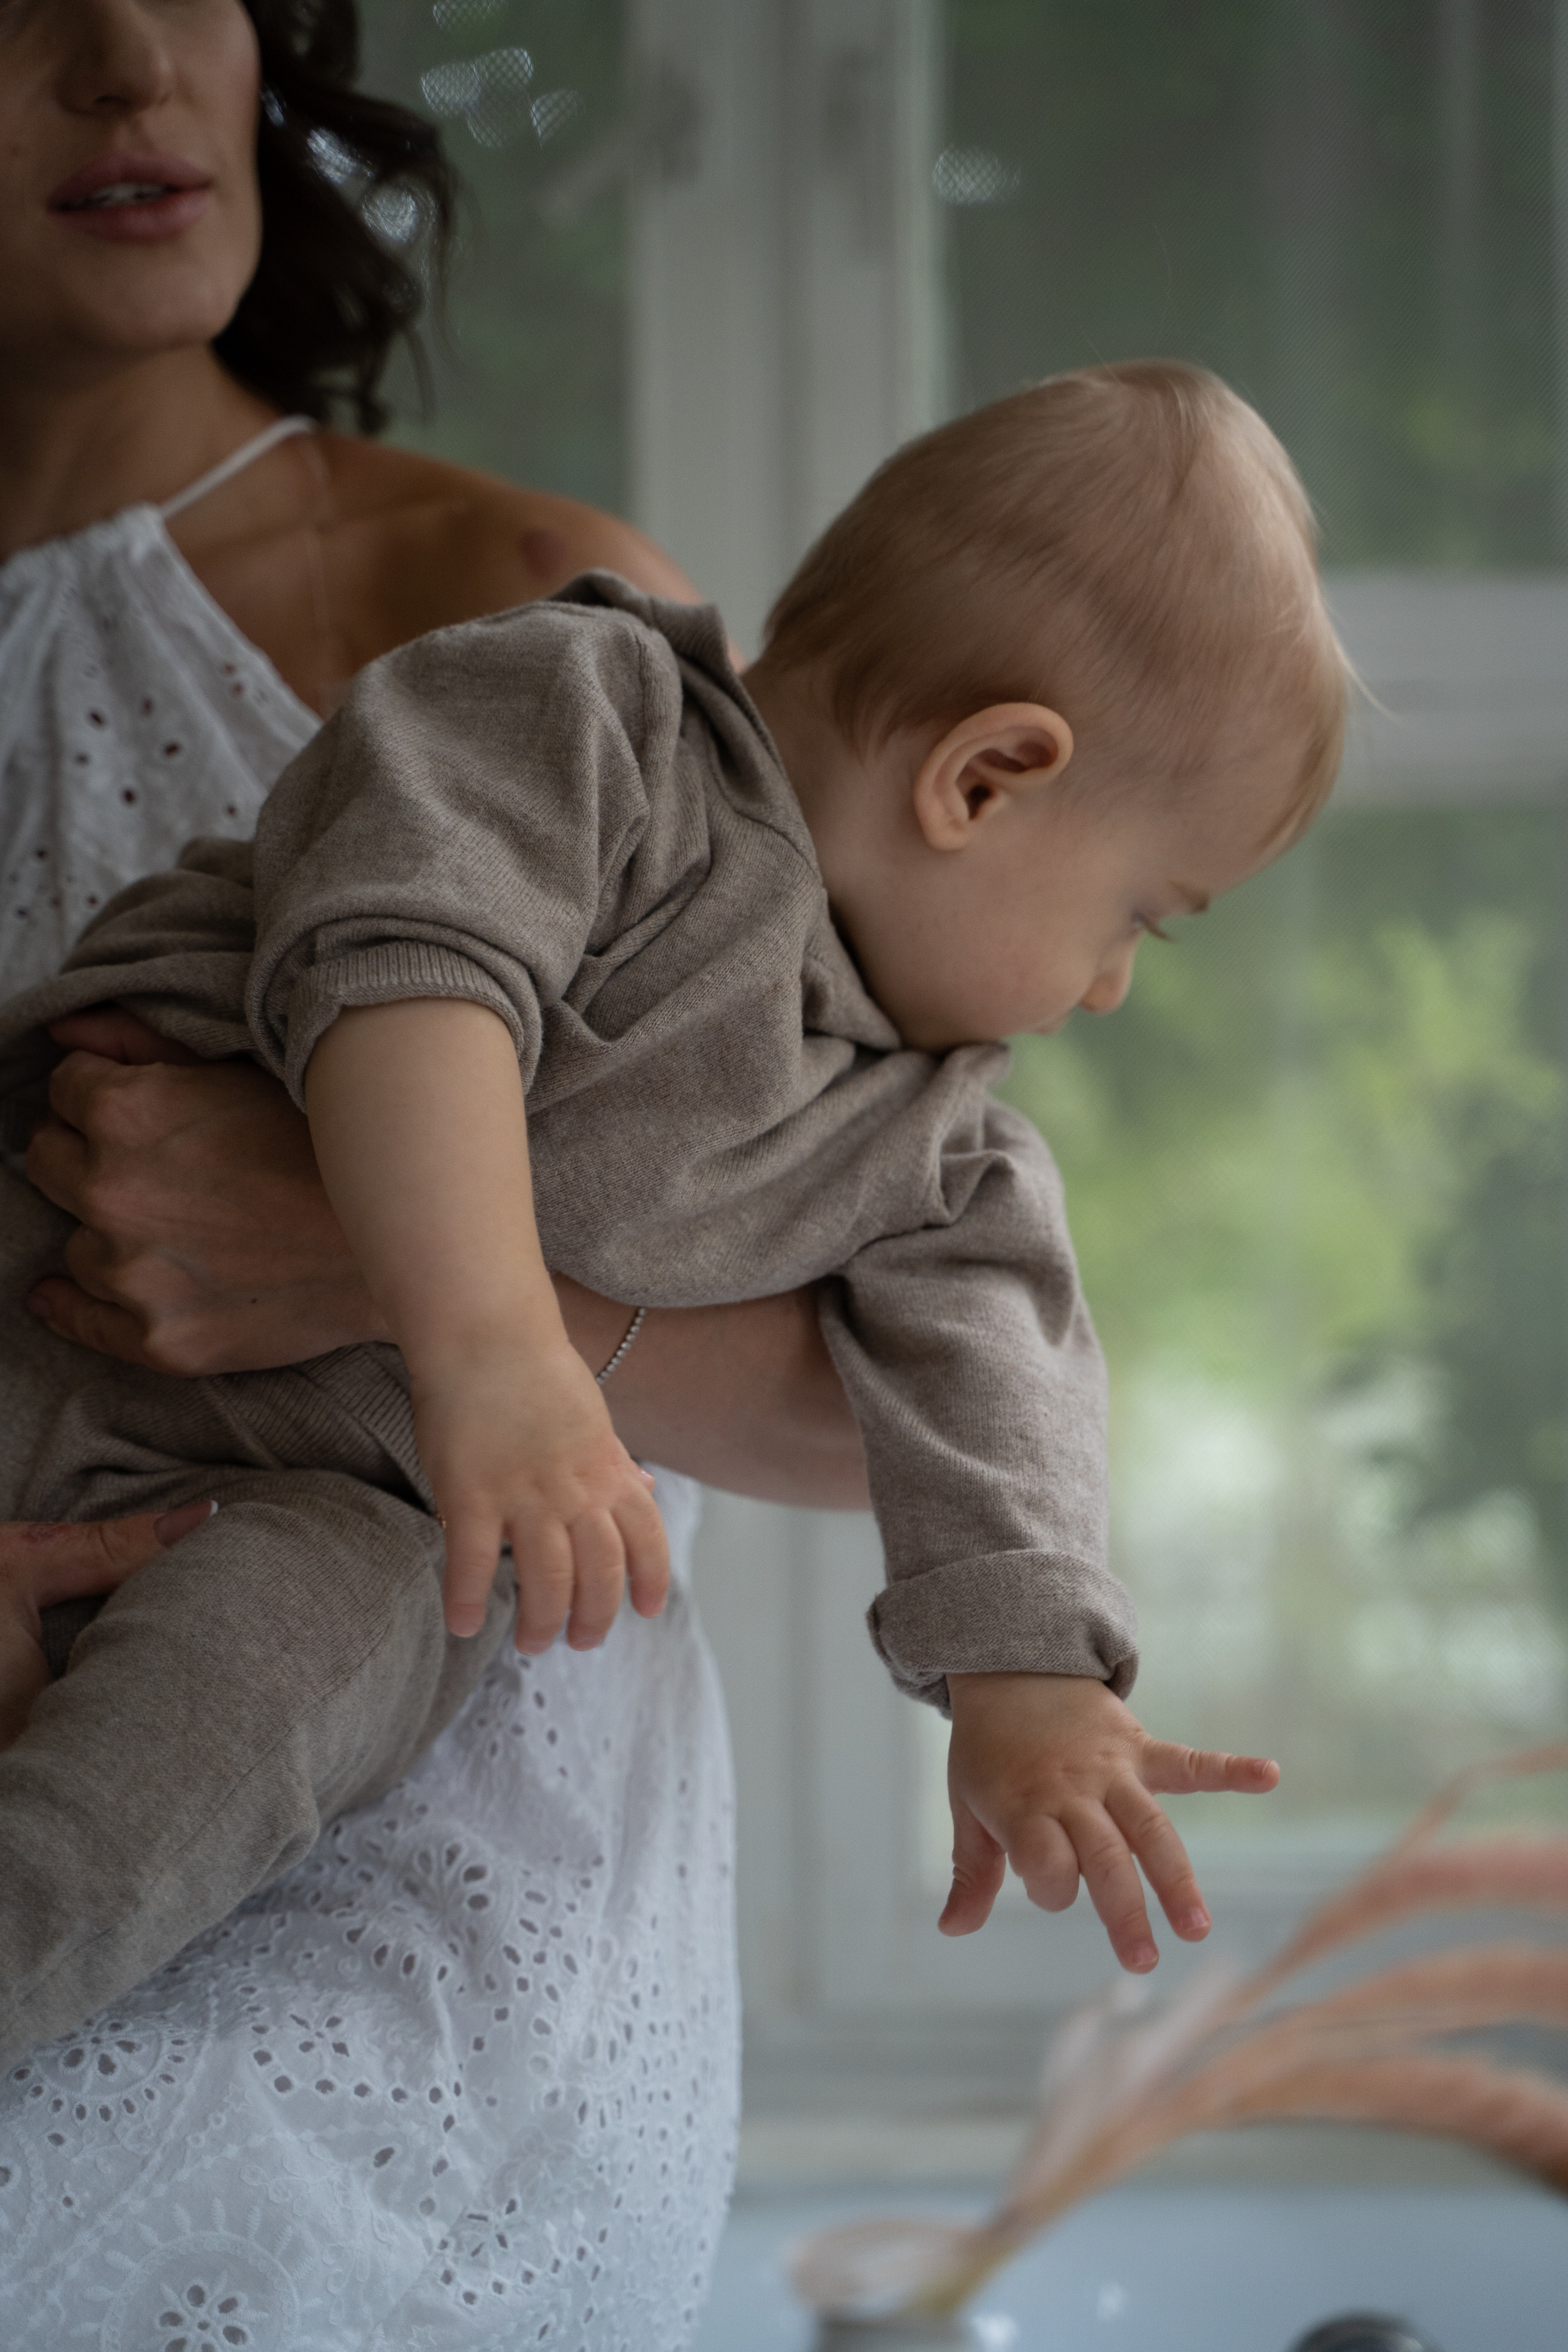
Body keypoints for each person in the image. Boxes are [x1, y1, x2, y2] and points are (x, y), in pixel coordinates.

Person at [0, 361, 1332, 2045]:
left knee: (293, 1682)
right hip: (40, 1269)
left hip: (294, 1520)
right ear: (984, 778)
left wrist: (1033, 1683)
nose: (1118, 983)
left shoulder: (935, 1135)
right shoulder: (583, 719)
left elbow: (1001, 1382)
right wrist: (491, 1349)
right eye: (1144, 910)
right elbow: (410, 971)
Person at [0, 1, 862, 2342]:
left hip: (424, 1971)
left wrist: (384, 1254)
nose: (120, 60)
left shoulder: (520, 616)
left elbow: (902, 1369)